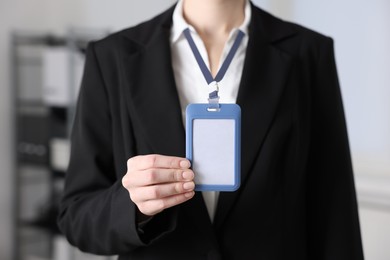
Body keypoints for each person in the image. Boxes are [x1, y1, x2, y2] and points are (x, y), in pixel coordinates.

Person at [58, 0, 364, 259]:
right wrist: (133, 207)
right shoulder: (112, 57)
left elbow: (335, 209)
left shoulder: (308, 52)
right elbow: (77, 218)